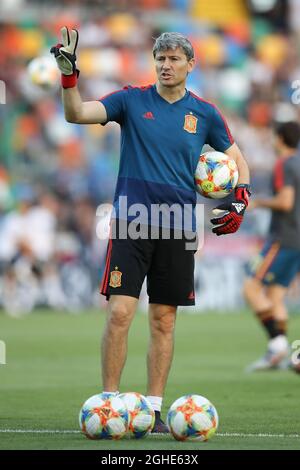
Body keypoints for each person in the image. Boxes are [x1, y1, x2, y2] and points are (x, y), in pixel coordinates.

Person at [51, 28, 251, 432]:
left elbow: (237, 161)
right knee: (120, 312)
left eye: (175, 59)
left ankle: (153, 412)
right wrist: (69, 79)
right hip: (131, 220)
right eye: (161, 58)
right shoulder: (130, 100)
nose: (166, 65)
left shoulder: (206, 114)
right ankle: (109, 404)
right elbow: (76, 114)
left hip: (179, 226)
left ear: (190, 65)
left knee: (164, 319)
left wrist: (241, 200)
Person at [244, 121, 300, 373]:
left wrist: (259, 203)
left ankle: (277, 346)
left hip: (283, 237)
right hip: (297, 239)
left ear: (279, 139)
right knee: (276, 295)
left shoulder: (284, 164)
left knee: (250, 287)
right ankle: (282, 355)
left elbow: (286, 202)